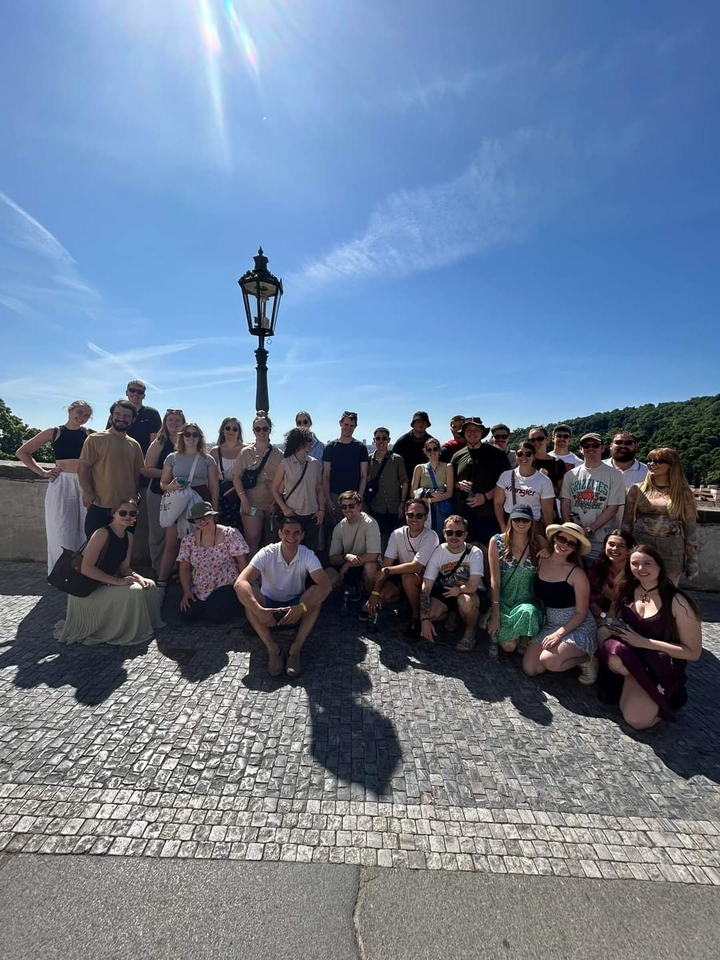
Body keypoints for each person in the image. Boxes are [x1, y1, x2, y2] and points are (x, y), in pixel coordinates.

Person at [598, 545, 702, 728]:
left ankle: (670, 693)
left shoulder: (677, 601)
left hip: (660, 664)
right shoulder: (626, 591)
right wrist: (613, 626)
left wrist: (644, 642)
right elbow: (612, 618)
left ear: (659, 566)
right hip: (631, 658)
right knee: (611, 649)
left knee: (637, 721)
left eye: (647, 563)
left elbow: (693, 653)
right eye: (635, 564)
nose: (640, 568)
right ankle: (631, 681)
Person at [54, 499, 162, 646]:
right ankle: (125, 631)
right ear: (114, 514)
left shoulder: (129, 536)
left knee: (149, 585)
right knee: (134, 592)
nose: (127, 516)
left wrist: (139, 577)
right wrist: (118, 582)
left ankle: (145, 627)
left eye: (132, 513)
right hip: (89, 587)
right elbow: (87, 568)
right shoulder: (102, 533)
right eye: (122, 512)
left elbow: (125, 568)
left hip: (108, 582)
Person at [235, 516, 332, 678]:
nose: (291, 536)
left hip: (295, 605)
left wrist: (301, 608)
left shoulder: (307, 554)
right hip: (268, 605)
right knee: (248, 597)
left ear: (302, 535)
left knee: (317, 597)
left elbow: (325, 585)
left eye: (296, 533)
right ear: (279, 533)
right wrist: (259, 610)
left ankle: (295, 650)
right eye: (287, 532)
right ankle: (274, 650)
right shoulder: (267, 552)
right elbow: (240, 582)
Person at [16, 399, 93, 574]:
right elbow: (22, 452)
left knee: (85, 530)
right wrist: (42, 472)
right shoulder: (55, 432)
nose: (82, 417)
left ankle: (83, 571)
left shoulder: (89, 434)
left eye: (87, 415)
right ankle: (59, 573)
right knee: (60, 528)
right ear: (70, 410)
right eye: (80, 412)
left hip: (85, 482)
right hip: (62, 483)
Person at [523, 522, 599, 684]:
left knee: (549, 661)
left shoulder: (577, 573)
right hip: (551, 621)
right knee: (531, 668)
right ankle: (565, 655)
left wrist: (559, 634)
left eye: (571, 543)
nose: (564, 545)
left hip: (577, 624)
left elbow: (581, 612)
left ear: (575, 549)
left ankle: (587, 659)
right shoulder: (542, 560)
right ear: (554, 538)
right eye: (562, 539)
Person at [157, 422, 219, 605]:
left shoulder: (207, 459)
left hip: (199, 502)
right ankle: (161, 587)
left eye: (195, 435)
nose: (191, 438)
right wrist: (170, 487)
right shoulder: (172, 457)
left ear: (200, 437)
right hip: (178, 502)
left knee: (200, 545)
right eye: (187, 434)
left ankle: (198, 586)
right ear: (182, 436)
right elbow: (163, 483)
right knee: (171, 545)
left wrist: (215, 510)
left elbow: (214, 485)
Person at [622, 447, 698, 585]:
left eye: (657, 461)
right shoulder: (637, 489)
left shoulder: (683, 492)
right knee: (639, 586)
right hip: (641, 543)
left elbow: (690, 525)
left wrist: (692, 561)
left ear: (671, 464)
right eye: (649, 460)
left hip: (671, 547)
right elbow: (627, 522)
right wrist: (625, 548)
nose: (651, 464)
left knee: (668, 590)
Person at [107, 380, 162, 567]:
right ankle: (116, 562)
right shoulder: (119, 412)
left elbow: (155, 444)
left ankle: (140, 561)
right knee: (118, 518)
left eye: (140, 391)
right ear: (127, 392)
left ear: (144, 395)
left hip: (143, 474)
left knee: (145, 521)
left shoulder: (151, 414)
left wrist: (142, 466)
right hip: (120, 474)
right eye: (133, 390)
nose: (136, 393)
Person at [367, 499, 439, 639]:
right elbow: (386, 563)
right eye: (410, 515)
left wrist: (387, 571)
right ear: (405, 515)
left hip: (425, 580)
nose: (414, 519)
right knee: (382, 593)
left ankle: (416, 618)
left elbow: (415, 566)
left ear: (426, 517)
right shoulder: (397, 534)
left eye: (419, 515)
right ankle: (403, 602)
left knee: (408, 578)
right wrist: (375, 592)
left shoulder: (431, 536)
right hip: (401, 575)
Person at [78, 400, 145, 537]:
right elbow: (84, 467)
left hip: (126, 509)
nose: (121, 418)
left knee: (122, 551)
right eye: (118, 414)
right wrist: (88, 491)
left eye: (127, 416)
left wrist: (135, 494)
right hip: (100, 506)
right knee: (95, 552)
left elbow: (136, 472)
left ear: (133, 420)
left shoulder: (134, 444)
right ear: (111, 416)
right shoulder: (95, 439)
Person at [419, 515, 486, 651]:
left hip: (470, 592)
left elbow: (472, 586)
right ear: (444, 533)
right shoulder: (438, 551)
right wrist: (424, 619)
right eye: (449, 533)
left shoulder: (474, 552)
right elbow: (426, 586)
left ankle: (470, 632)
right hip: (447, 591)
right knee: (431, 614)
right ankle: (452, 613)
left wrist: (459, 590)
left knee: (465, 601)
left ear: (465, 535)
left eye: (458, 533)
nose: (454, 536)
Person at [487, 505, 544, 658]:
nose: (521, 523)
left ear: (531, 522)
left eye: (525, 520)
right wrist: (496, 613)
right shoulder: (497, 541)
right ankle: (515, 634)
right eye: (517, 519)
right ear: (510, 520)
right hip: (504, 602)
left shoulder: (539, 543)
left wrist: (548, 554)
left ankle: (524, 635)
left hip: (526, 601)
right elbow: (495, 581)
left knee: (528, 612)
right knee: (509, 646)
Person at [177, 502, 248, 622]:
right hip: (200, 586)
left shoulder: (230, 534)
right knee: (187, 613)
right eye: (198, 519)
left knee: (215, 615)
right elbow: (184, 568)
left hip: (225, 583)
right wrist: (187, 591)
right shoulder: (188, 540)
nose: (202, 521)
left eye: (206, 517)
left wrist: (244, 586)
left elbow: (242, 561)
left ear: (213, 516)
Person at [560, 433, 626, 564]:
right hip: (575, 536)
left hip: (601, 539)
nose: (590, 448)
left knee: (598, 575)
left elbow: (613, 508)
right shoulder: (570, 475)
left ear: (602, 448)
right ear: (580, 449)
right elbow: (565, 504)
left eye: (595, 445)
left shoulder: (614, 475)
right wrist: (571, 530)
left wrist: (590, 529)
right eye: (586, 445)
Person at [451, 417, 509, 546]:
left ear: (482, 432)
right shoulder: (457, 456)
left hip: (490, 514)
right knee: (466, 552)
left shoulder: (497, 454)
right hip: (463, 514)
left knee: (491, 552)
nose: (473, 432)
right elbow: (450, 482)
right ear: (464, 433)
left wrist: (485, 497)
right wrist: (458, 485)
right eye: (469, 429)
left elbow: (507, 482)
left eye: (476, 429)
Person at [232, 411, 283, 558]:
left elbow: (283, 479)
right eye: (258, 429)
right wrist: (244, 500)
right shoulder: (245, 452)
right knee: (252, 539)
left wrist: (276, 502)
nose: (261, 432)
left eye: (264, 428)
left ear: (270, 430)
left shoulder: (278, 454)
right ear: (253, 431)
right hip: (251, 503)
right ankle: (252, 578)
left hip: (272, 504)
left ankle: (269, 576)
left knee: (271, 542)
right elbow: (236, 477)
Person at [143, 409, 186, 576]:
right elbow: (147, 469)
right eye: (171, 420)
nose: (174, 424)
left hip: (180, 495)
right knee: (158, 533)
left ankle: (175, 568)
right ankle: (158, 568)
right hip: (158, 493)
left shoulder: (187, 442)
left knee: (178, 534)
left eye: (177, 420)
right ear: (165, 423)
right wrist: (170, 474)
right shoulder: (159, 442)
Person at [271, 427, 324, 551]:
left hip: (312, 513)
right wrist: (285, 509)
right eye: (309, 439)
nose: (312, 442)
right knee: (291, 547)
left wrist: (321, 509)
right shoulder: (285, 463)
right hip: (293, 513)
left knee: (310, 549)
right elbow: (274, 488)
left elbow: (319, 487)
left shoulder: (314, 463)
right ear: (300, 442)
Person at [326, 491, 381, 600]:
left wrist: (348, 564)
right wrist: (345, 557)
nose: (347, 509)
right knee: (326, 578)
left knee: (370, 568)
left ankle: (370, 601)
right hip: (347, 562)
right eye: (344, 506)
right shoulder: (339, 527)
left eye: (351, 506)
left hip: (366, 563)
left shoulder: (370, 523)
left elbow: (373, 556)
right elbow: (332, 558)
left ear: (359, 506)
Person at [322, 411, 369, 534]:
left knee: (356, 532)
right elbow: (325, 476)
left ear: (355, 427)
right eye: (346, 424)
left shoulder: (360, 447)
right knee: (335, 532)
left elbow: (364, 475)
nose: (348, 428)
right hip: (335, 496)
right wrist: (328, 500)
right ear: (340, 424)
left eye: (351, 425)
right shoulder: (330, 447)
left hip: (354, 496)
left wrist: (359, 496)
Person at [493, 441, 554, 531]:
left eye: (528, 454)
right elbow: (498, 503)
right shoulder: (505, 476)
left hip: (532, 525)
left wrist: (548, 534)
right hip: (510, 522)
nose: (524, 457)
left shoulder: (544, 481)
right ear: (515, 456)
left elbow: (547, 512)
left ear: (534, 456)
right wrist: (503, 526)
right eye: (520, 454)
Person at [365, 427, 408, 546]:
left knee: (395, 538)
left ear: (389, 440)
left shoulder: (397, 459)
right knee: (377, 537)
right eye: (378, 438)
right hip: (376, 506)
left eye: (384, 438)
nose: (381, 441)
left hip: (394, 506)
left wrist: (402, 503)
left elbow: (404, 481)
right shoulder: (369, 460)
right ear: (374, 440)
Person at [588, 529, 635, 622]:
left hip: (628, 617)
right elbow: (589, 595)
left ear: (629, 550)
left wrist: (614, 599)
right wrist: (603, 616)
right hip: (600, 616)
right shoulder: (599, 565)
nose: (614, 549)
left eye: (621, 546)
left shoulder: (635, 570)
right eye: (611, 544)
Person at [411, 437, 455, 536]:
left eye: (435, 449)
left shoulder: (448, 467)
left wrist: (431, 500)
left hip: (441, 509)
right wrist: (429, 497)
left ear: (439, 451)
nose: (432, 452)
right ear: (425, 452)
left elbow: (449, 492)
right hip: (425, 509)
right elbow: (413, 492)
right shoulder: (419, 468)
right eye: (429, 449)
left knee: (440, 536)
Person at [210, 417, 245, 530]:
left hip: (244, 495)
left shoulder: (247, 450)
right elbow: (213, 482)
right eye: (228, 428)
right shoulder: (215, 451)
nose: (231, 431)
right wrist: (215, 507)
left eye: (235, 429)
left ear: (239, 432)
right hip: (223, 497)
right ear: (222, 430)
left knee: (246, 531)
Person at [393, 412, 434, 479]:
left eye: (424, 421)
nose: (421, 424)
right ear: (413, 424)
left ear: (427, 424)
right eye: (418, 421)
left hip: (427, 480)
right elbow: (394, 462)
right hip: (406, 480)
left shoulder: (432, 442)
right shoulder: (402, 442)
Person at [527, 426, 566, 497]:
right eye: (532, 440)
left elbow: (561, 494)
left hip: (549, 507)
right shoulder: (525, 461)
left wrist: (545, 479)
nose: (536, 442)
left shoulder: (557, 463)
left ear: (547, 440)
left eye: (540, 438)